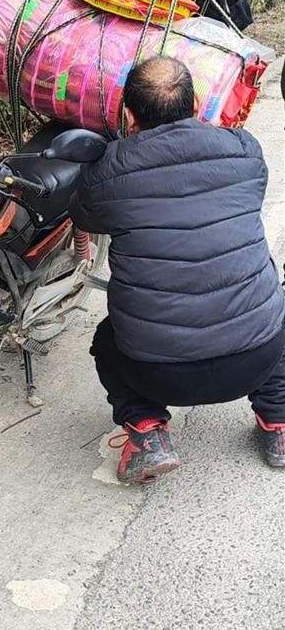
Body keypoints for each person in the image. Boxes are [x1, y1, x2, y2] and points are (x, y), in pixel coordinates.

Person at [69, 56, 285, 484]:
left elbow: (84, 215)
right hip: (256, 359)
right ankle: (279, 422)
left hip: (156, 373)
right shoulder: (244, 149)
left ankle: (147, 432)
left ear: (129, 116)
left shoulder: (109, 170)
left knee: (107, 340)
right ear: (197, 104)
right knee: (274, 309)